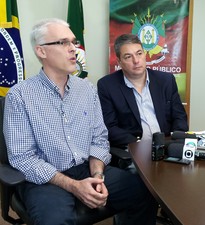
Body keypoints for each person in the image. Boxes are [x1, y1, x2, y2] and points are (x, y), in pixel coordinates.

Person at [3, 18, 157, 225]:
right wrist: (74, 186)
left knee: (144, 192)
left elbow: (99, 139)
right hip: (47, 178)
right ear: (41, 51)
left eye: (73, 42)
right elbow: (23, 158)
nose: (73, 49)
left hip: (88, 168)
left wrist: (98, 176)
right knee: (55, 221)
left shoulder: (86, 89)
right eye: (63, 43)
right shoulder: (20, 96)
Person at [97, 33, 188, 150]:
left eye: (139, 54)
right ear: (119, 62)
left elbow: (179, 118)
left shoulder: (166, 81)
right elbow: (109, 127)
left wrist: (173, 145)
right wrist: (139, 146)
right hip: (132, 152)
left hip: (166, 149)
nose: (136, 60)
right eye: (128, 57)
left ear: (144, 54)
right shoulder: (107, 86)